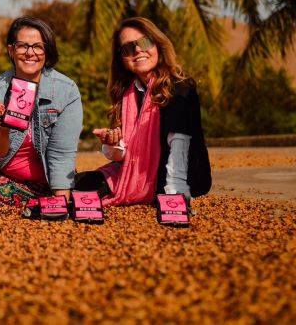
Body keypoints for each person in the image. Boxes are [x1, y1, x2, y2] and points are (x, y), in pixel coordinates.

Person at [75, 17, 211, 206]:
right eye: (128, 48)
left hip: (176, 178)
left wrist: (174, 196)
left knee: (83, 194)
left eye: (145, 42)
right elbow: (127, 154)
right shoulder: (127, 93)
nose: (138, 50)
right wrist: (113, 143)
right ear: (122, 59)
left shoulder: (179, 87)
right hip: (135, 174)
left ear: (158, 45)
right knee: (71, 186)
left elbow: (179, 144)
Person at [0, 16, 83, 209]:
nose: (30, 53)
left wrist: (61, 204)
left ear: (47, 51)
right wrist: (2, 131)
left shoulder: (66, 91)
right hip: (0, 174)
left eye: (38, 46)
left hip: (46, 181)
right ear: (11, 50)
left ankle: (37, 201)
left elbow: (62, 154)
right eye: (23, 46)